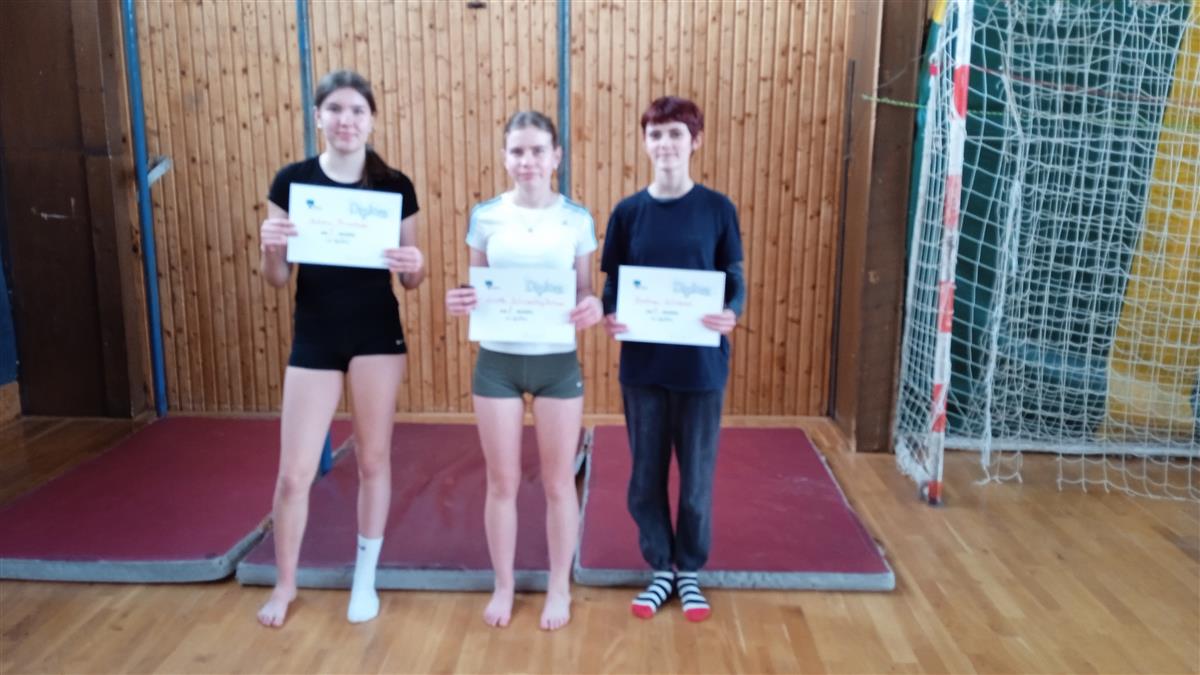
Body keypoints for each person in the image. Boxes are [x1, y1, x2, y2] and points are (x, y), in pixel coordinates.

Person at [256, 69, 425, 627]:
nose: (346, 120)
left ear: (371, 119)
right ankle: (285, 584)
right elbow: (277, 279)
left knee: (373, 459)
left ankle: (364, 578)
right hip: (316, 333)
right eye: (335, 109)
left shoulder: (394, 185)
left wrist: (416, 264)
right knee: (293, 473)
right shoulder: (293, 181)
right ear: (319, 117)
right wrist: (269, 248)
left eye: (357, 110)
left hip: (376, 333)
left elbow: (411, 279)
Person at [445, 111, 602, 631]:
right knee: (502, 482)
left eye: (537, 150)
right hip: (498, 364)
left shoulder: (577, 219)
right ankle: (504, 584)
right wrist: (460, 298)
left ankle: (559, 586)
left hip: (557, 364)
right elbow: (476, 287)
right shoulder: (486, 216)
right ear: (505, 157)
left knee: (558, 483)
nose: (527, 160)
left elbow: (584, 289)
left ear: (556, 156)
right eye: (517, 151)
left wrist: (593, 305)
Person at [599, 96, 746, 622]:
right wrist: (611, 314)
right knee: (645, 479)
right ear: (645, 143)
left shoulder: (718, 209)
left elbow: (734, 280)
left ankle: (689, 572)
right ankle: (661, 567)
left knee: (697, 485)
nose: (665, 144)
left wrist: (731, 313)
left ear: (695, 141)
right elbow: (614, 285)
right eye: (656, 134)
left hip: (700, 369)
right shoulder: (627, 213)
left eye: (675, 134)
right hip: (643, 368)